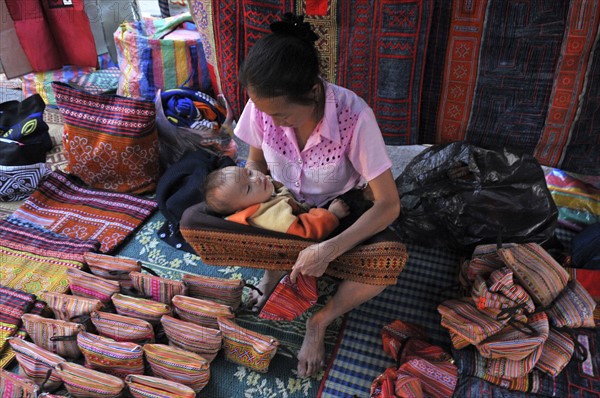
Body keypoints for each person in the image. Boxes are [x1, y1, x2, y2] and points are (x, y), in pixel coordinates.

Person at [233, 13, 402, 378]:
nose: (272, 123)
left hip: (341, 207)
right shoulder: (264, 106)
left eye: (281, 114)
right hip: (283, 203)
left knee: (388, 263)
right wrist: (250, 199)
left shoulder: (354, 116)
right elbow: (255, 161)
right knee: (213, 210)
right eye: (264, 113)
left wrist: (330, 248)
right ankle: (271, 274)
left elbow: (388, 203)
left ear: (312, 91)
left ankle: (320, 320)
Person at [203, 165, 350, 239]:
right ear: (240, 210)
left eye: (249, 173)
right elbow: (305, 232)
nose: (257, 178)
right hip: (317, 232)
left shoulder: (261, 197)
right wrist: (331, 214)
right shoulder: (268, 217)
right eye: (248, 188)